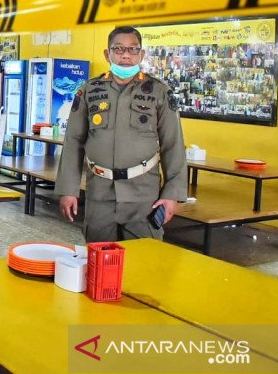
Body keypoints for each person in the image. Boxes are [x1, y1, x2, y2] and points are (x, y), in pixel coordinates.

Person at [55, 26, 187, 242]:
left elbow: (173, 144)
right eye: (118, 49)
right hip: (100, 193)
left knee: (143, 263)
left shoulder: (159, 91)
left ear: (142, 54)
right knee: (100, 261)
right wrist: (68, 190)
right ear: (107, 54)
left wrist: (172, 194)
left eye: (133, 49)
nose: (126, 55)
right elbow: (74, 141)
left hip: (143, 196)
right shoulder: (89, 90)